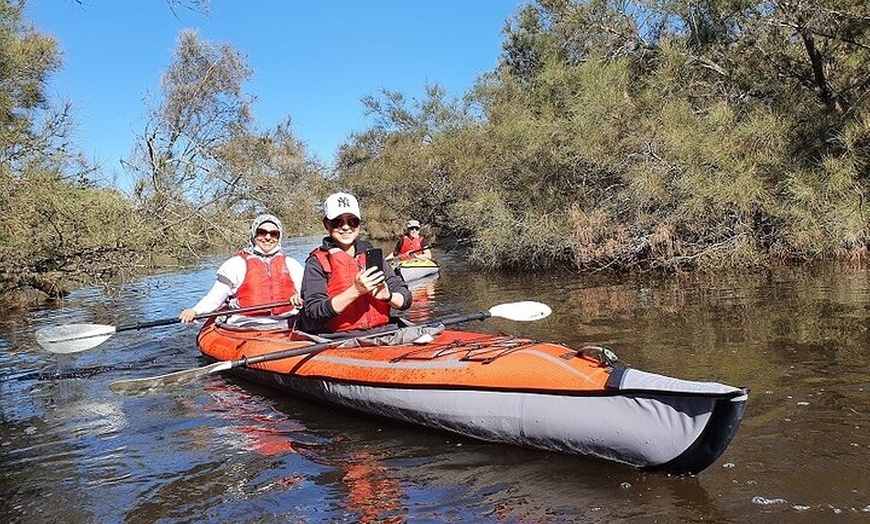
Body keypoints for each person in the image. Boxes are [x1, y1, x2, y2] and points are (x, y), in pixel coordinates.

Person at [299, 192, 411, 334]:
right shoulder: (317, 262)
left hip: (384, 332)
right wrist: (356, 291)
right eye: (337, 222)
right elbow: (314, 312)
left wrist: (388, 296)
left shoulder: (372, 256)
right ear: (326, 224)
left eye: (352, 221)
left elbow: (405, 298)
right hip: (340, 339)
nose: (346, 227)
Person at [179, 214, 304, 327]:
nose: (267, 237)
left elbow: (305, 293)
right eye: (262, 232)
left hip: (288, 320)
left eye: (273, 233)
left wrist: (299, 298)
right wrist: (195, 311)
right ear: (254, 235)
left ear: (279, 236)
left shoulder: (291, 264)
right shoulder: (236, 264)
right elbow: (215, 298)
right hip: (246, 324)